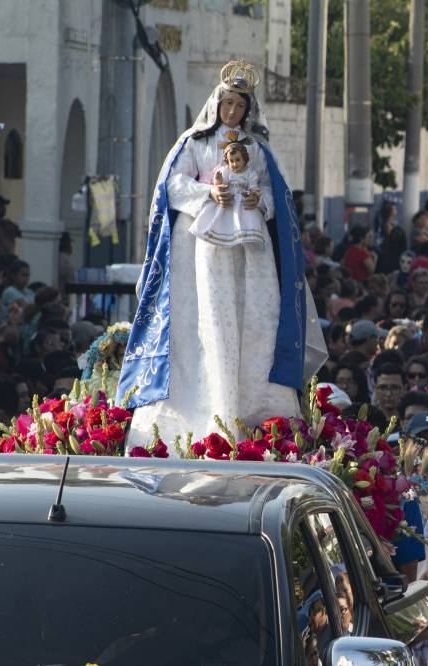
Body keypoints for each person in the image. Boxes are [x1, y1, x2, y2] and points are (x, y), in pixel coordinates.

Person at [118, 60, 327, 445]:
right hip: (201, 247)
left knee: (255, 322)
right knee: (204, 320)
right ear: (217, 103)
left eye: (239, 106)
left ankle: (257, 413)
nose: (232, 111)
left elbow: (273, 195)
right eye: (227, 103)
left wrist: (257, 199)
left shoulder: (258, 150)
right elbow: (173, 186)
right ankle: (197, 415)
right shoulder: (194, 143)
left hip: (249, 250)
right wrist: (207, 193)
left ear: (248, 110)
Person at [187, 141, 266, 247]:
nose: (234, 164)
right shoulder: (226, 171)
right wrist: (218, 180)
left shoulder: (250, 173)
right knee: (222, 219)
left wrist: (254, 193)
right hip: (228, 199)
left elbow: (253, 186)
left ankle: (245, 236)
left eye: (238, 160)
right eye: (231, 161)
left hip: (243, 202)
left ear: (245, 159)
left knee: (246, 220)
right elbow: (220, 184)